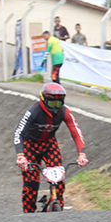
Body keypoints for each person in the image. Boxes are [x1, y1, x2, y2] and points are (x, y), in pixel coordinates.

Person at [13, 83, 88, 213]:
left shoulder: (65, 112)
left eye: (58, 104)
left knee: (58, 179)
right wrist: (21, 155)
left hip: (50, 145)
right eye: (52, 104)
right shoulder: (33, 111)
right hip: (30, 146)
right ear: (43, 100)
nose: (55, 107)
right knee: (31, 182)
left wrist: (82, 154)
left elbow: (76, 132)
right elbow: (18, 133)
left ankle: (58, 209)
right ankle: (28, 213)